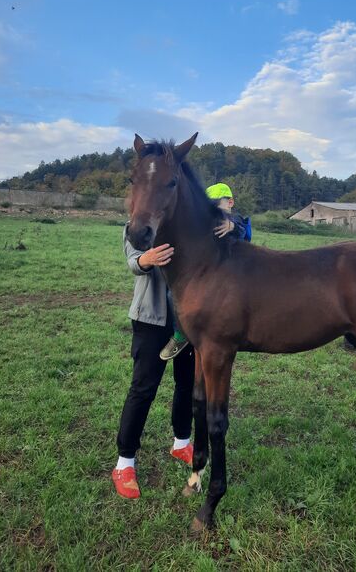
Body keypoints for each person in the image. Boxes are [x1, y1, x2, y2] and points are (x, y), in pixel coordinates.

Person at [112, 226, 195, 499]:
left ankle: (182, 443)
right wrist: (144, 260)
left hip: (188, 321)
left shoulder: (186, 219)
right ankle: (124, 463)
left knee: (186, 384)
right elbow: (132, 258)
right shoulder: (139, 223)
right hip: (151, 320)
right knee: (143, 389)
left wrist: (234, 225)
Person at [159, 182, 250, 361]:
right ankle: (181, 333)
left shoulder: (235, 219)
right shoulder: (206, 221)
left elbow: (245, 233)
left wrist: (233, 227)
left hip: (230, 278)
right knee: (173, 294)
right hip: (206, 275)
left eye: (217, 204)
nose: (213, 209)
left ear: (230, 203)